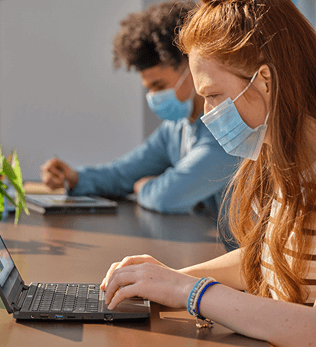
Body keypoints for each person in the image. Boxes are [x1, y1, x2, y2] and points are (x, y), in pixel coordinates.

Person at [100, 0, 316, 345]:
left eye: (214, 95)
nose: (208, 114)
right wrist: (165, 280)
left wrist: (191, 291)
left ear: (264, 81)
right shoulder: (284, 164)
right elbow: (268, 258)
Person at [40, 1, 238, 222]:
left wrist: (143, 186)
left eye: (160, 86)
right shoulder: (176, 129)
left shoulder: (227, 132)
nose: (154, 96)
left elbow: (167, 198)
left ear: (192, 69)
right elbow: (124, 173)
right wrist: (76, 178)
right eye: (150, 88)